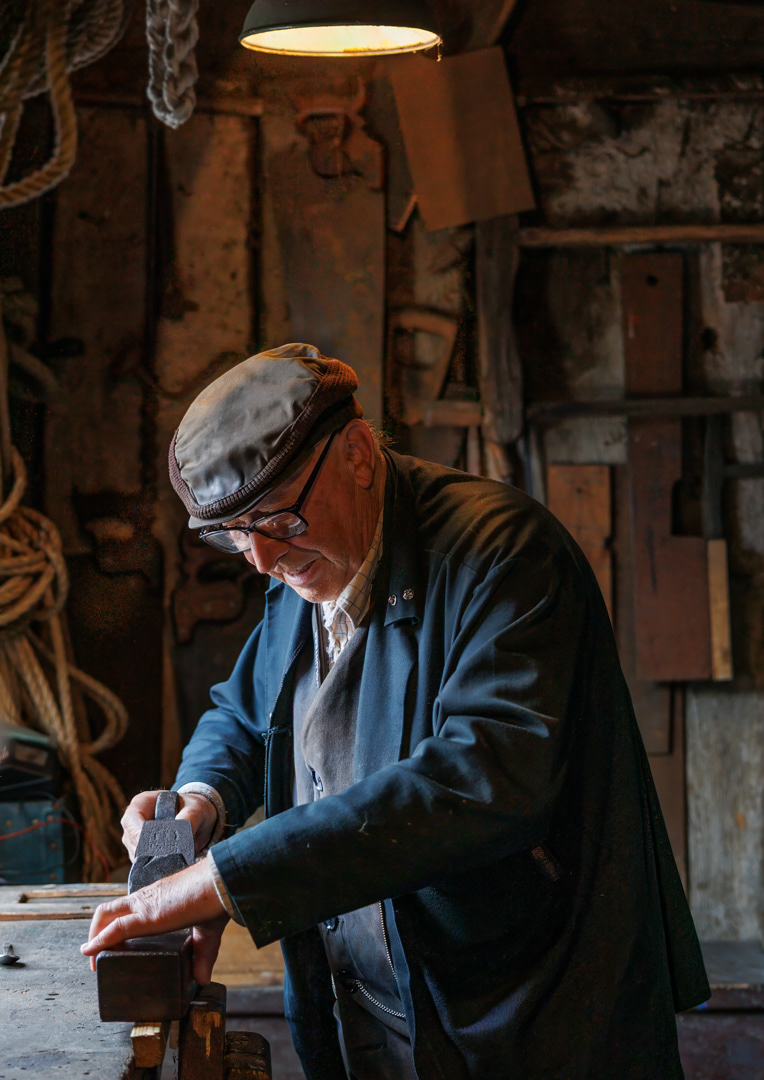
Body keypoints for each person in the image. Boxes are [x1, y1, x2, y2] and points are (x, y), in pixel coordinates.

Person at [83, 343, 709, 1080]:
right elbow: (247, 713)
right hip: (371, 1005)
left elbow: (478, 780)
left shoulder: (505, 556)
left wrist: (225, 879)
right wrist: (199, 803)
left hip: (517, 1013)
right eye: (234, 534)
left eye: (274, 519)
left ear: (355, 453)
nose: (258, 560)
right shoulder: (306, 554)